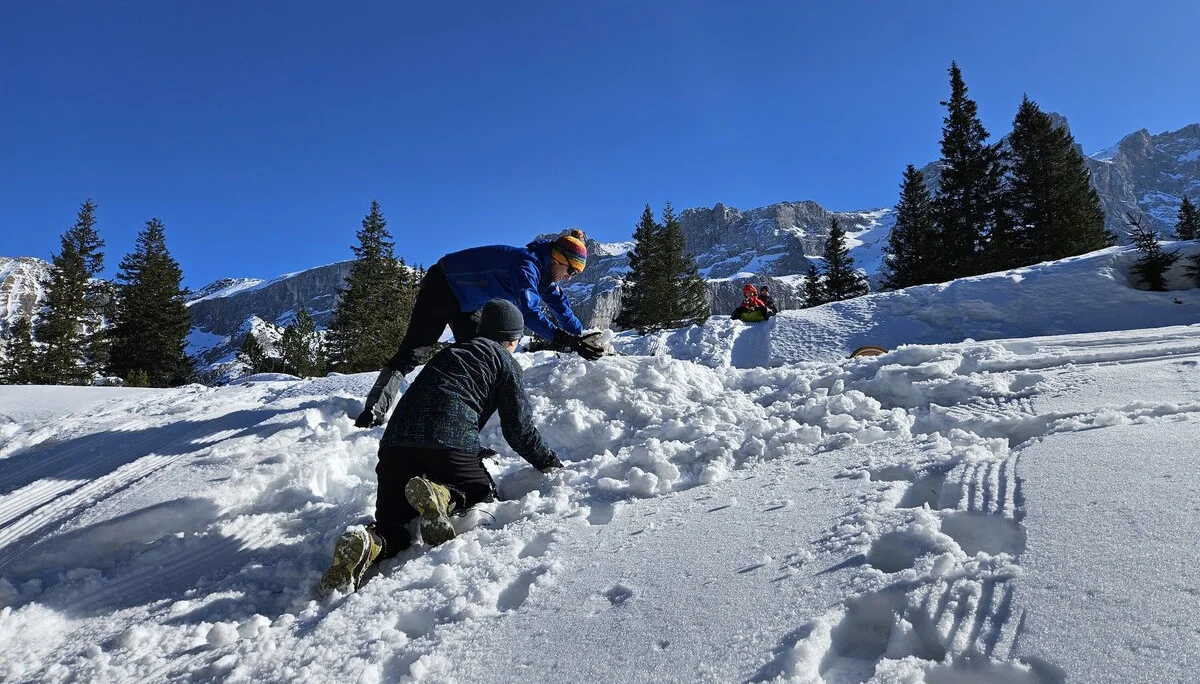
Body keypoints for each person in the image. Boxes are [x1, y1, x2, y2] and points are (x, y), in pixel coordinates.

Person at [320, 299, 564, 595]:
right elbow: (518, 429)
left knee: (394, 526)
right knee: (480, 493)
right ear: (512, 338)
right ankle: (445, 494)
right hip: (450, 440)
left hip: (395, 445)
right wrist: (549, 462)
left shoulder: (450, 353)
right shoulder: (504, 361)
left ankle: (369, 544)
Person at [354, 229, 604, 428]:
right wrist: (561, 338)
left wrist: (581, 336)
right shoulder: (526, 265)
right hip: (441, 286)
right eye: (571, 270)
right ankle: (374, 410)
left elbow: (561, 306)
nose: (570, 277)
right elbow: (529, 311)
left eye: (576, 274)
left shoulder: (545, 275)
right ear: (558, 259)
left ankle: (460, 422)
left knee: (481, 358)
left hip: (468, 304)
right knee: (416, 350)